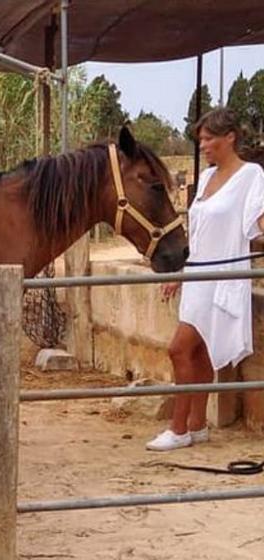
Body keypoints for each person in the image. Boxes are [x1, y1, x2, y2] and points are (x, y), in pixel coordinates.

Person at [148, 107, 264, 451]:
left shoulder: (251, 175)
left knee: (178, 349)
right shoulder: (207, 178)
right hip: (199, 274)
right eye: (201, 139)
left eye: (209, 138)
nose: (204, 145)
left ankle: (178, 428)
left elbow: (257, 223)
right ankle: (197, 425)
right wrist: (182, 272)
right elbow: (197, 232)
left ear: (230, 138)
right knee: (197, 354)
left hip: (224, 275)